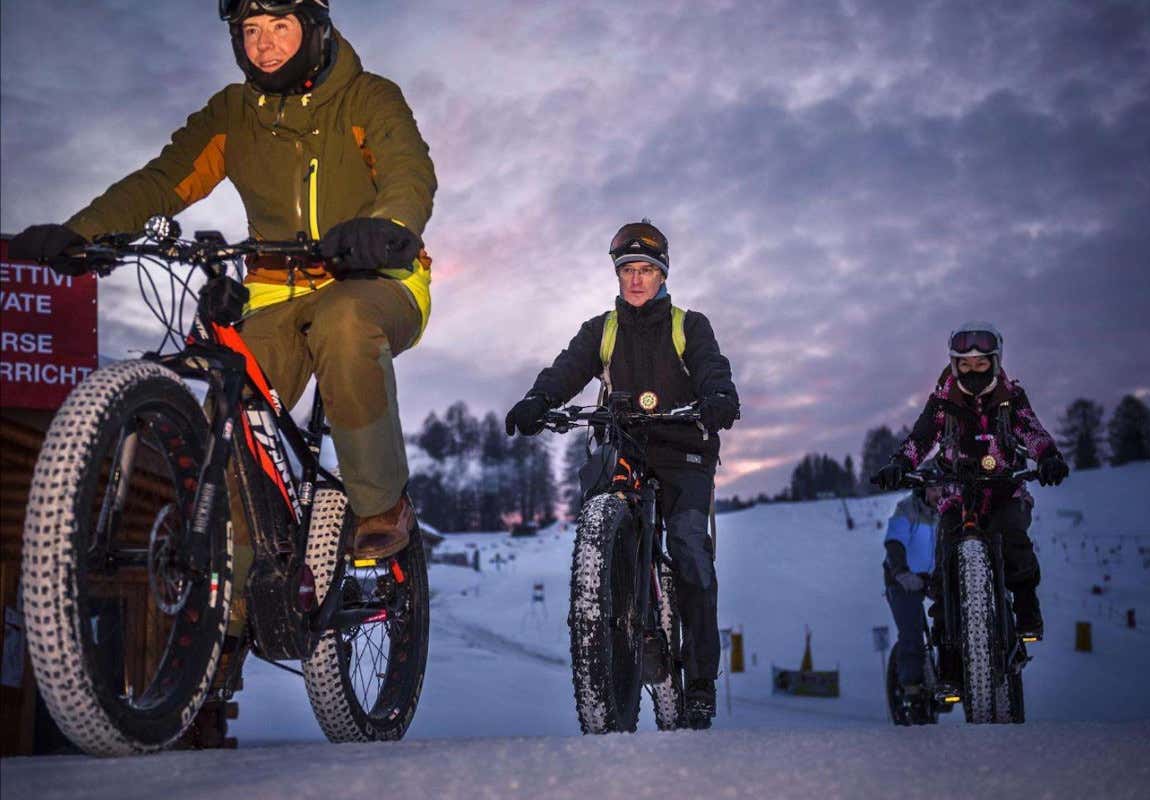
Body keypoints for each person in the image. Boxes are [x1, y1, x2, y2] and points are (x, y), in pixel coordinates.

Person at [9, 0, 437, 736]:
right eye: (250, 31)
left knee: (343, 324)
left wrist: (390, 227)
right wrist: (81, 234)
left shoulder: (370, 98)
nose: (265, 45)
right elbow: (162, 181)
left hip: (379, 278)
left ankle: (379, 508)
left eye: (281, 27)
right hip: (274, 290)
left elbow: (409, 172)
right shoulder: (231, 114)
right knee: (224, 413)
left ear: (317, 28)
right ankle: (229, 622)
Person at [504, 219, 739, 729]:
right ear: (617, 275)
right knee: (600, 511)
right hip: (626, 445)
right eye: (628, 270)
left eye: (646, 271)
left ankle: (699, 681)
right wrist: (538, 399)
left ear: (662, 276)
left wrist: (718, 395)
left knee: (690, 546)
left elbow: (710, 366)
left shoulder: (688, 325)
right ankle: (608, 614)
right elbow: (567, 369)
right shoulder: (602, 330)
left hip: (684, 449)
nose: (636, 280)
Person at [874, 322, 1069, 642]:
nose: (973, 372)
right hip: (957, 492)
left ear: (995, 362)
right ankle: (946, 642)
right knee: (945, 558)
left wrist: (1047, 456)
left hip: (1005, 486)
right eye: (965, 365)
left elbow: (1031, 430)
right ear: (954, 364)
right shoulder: (942, 402)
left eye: (981, 364)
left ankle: (1026, 608)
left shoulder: (1011, 398)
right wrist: (900, 464)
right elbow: (921, 438)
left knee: (1013, 535)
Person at [883, 486, 940, 693]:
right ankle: (911, 688)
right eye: (934, 489)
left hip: (933, 578)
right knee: (912, 630)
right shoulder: (907, 508)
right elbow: (894, 542)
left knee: (952, 620)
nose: (939, 495)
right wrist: (902, 572)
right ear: (923, 491)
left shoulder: (947, 509)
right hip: (901, 578)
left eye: (943, 489)